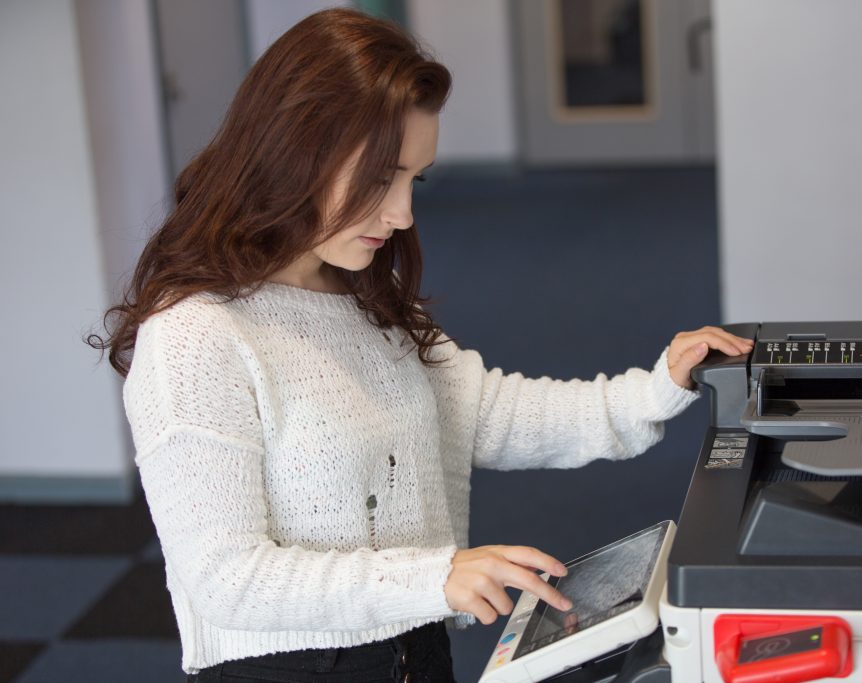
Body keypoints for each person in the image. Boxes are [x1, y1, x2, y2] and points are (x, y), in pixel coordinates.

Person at [91, 8, 752, 682]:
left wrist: (657, 385)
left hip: (414, 651)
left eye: (415, 179)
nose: (403, 213)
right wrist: (436, 575)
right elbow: (224, 576)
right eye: (381, 180)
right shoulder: (195, 335)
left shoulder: (360, 297)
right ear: (295, 155)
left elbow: (493, 414)